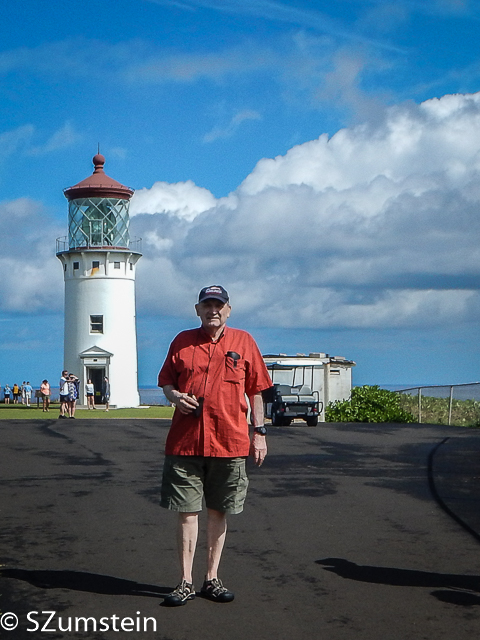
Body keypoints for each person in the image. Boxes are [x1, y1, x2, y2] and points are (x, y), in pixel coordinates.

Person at [158, 285, 272, 607]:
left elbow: (256, 391)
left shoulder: (245, 342)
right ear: (197, 310)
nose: (213, 311)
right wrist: (175, 396)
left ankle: (212, 578)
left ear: (228, 310)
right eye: (207, 305)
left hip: (229, 442)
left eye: (219, 306)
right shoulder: (182, 341)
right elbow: (166, 380)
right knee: (186, 513)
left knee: (219, 511)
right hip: (185, 443)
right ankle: (184, 581)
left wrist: (259, 433)